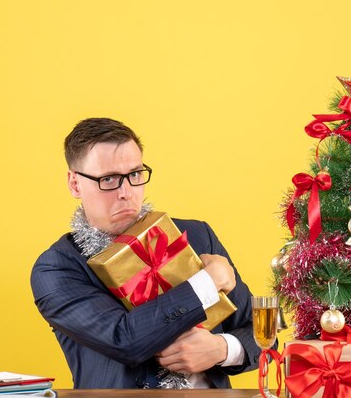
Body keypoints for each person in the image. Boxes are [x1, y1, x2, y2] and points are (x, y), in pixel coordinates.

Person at [31, 118, 266, 389]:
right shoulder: (56, 268)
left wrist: (222, 348)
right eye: (108, 179)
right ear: (75, 184)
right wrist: (206, 283)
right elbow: (125, 339)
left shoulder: (197, 236)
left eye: (134, 175)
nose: (126, 193)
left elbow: (263, 335)